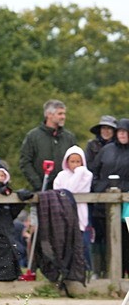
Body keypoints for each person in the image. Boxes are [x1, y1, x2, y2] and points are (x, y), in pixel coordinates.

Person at [90, 119, 129, 276]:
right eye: (119, 131)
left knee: (126, 239)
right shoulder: (107, 150)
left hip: (126, 204)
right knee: (104, 238)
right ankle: (106, 274)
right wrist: (98, 188)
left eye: (125, 132)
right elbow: (94, 171)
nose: (122, 134)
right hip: (103, 202)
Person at [18, 99, 78, 190]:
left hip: (66, 190)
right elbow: (25, 162)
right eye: (60, 114)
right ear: (49, 115)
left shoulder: (69, 137)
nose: (63, 117)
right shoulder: (33, 136)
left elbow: (77, 161)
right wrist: (38, 184)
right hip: (42, 190)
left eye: (64, 114)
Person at [0, 161, 28, 282]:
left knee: (11, 249)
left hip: (7, 227)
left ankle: (12, 276)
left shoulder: (8, 192)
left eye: (2, 176)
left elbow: (12, 213)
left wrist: (21, 200)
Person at [53, 145, 94, 273]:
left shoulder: (87, 174)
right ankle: (67, 272)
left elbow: (73, 189)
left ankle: (87, 271)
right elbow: (60, 191)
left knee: (83, 245)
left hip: (80, 214)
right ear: (67, 162)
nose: (75, 164)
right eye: (72, 161)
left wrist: (79, 172)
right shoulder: (61, 175)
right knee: (66, 245)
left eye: (78, 161)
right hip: (63, 212)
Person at [85, 115, 116, 274]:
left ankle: (113, 271)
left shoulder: (120, 148)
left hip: (116, 194)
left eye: (109, 128)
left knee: (115, 236)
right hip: (96, 196)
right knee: (97, 235)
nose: (106, 131)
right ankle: (98, 271)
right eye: (104, 128)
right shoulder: (92, 146)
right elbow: (90, 169)